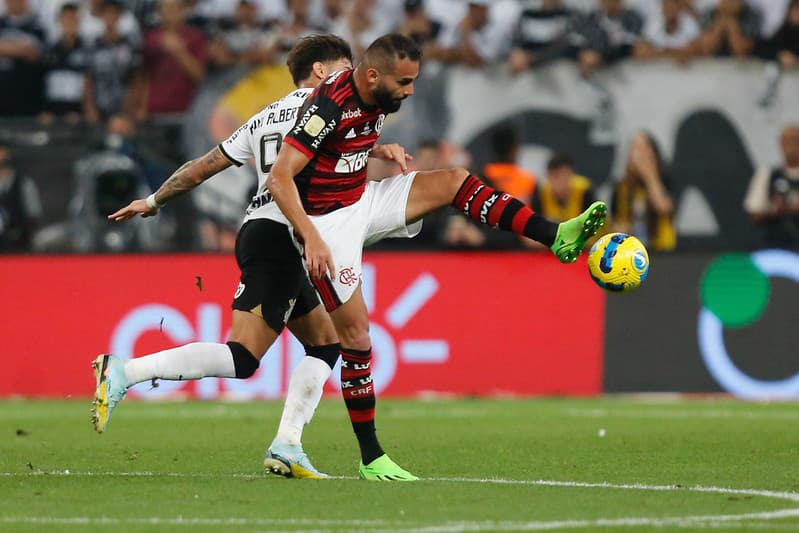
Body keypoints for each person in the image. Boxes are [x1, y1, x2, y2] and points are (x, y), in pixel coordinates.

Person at [265, 33, 607, 477]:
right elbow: (279, 177)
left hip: (360, 199)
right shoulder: (328, 103)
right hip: (326, 225)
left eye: (414, 81)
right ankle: (371, 457)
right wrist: (309, 236)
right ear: (372, 75)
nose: (410, 91)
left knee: (453, 181)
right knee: (357, 339)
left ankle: (556, 234)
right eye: (404, 82)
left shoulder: (376, 99)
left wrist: (373, 149)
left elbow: (337, 145)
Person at [93, 35, 364, 480]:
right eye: (344, 68)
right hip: (281, 234)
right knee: (242, 357)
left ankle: (288, 445)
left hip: (266, 230)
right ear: (321, 72)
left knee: (325, 343)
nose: (350, 79)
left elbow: (204, 165)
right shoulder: (329, 112)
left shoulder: (265, 117)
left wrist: (155, 199)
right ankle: (125, 370)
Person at [610, 131, 675, 252]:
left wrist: (648, 174)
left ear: (652, 152)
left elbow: (663, 207)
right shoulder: (621, 186)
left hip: (662, 251)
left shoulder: (665, 179)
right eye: (634, 149)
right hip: (630, 253)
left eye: (643, 148)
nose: (638, 155)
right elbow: (614, 223)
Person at [744, 124, 799, 247]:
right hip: (777, 247)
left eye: (795, 141)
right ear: (780, 145)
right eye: (786, 142)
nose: (791, 147)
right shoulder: (768, 175)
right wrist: (775, 209)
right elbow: (755, 213)